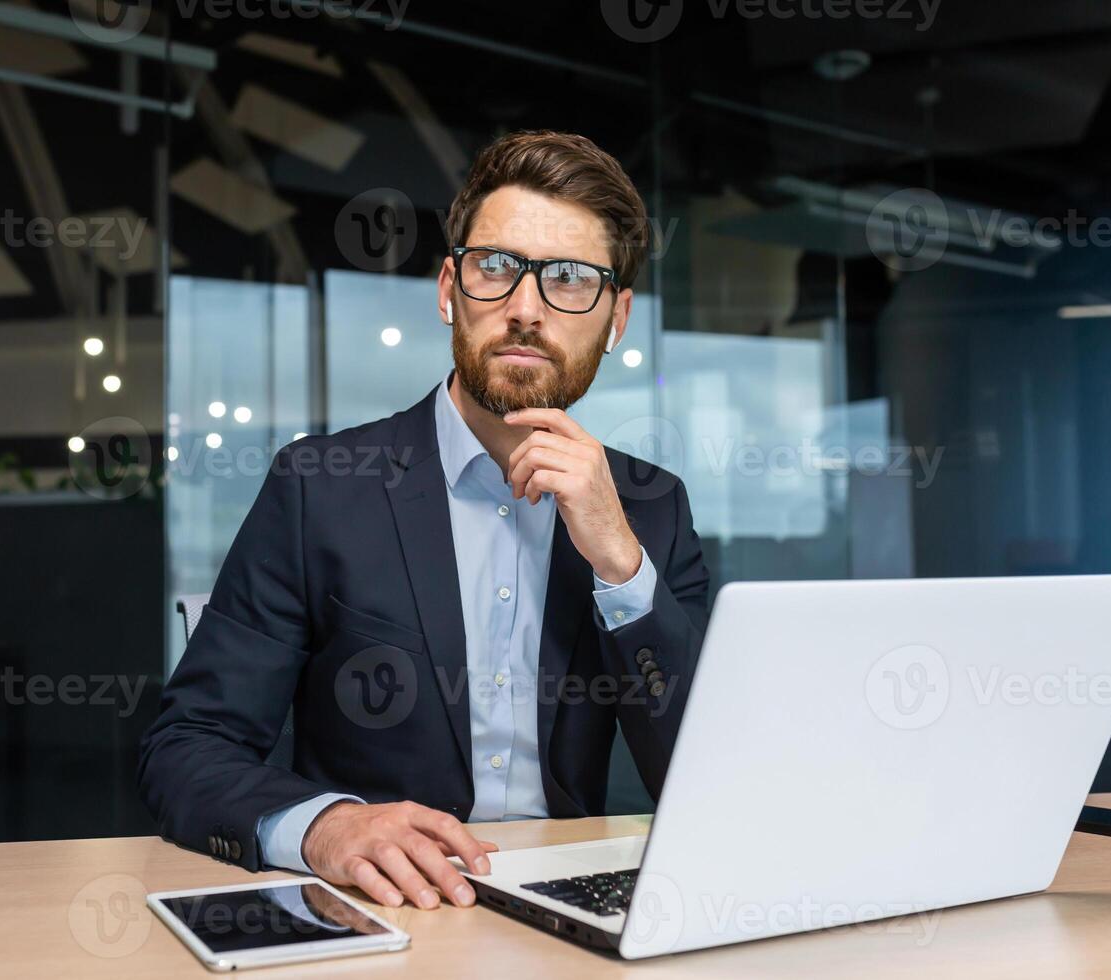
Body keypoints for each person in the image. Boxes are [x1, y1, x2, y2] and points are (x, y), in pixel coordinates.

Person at [140, 130, 710, 912]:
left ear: (616, 319)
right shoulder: (320, 489)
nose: (524, 309)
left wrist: (622, 565)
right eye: (497, 268)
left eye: (572, 280)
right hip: (386, 907)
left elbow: (704, 776)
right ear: (449, 288)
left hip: (576, 908)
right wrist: (324, 827)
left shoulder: (651, 507)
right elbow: (185, 748)